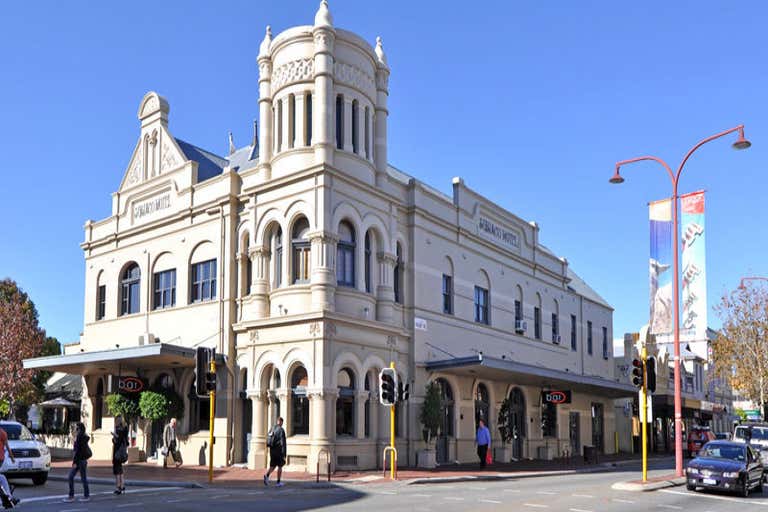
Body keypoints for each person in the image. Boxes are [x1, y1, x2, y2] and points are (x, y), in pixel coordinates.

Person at [63, 422, 90, 503]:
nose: (74, 429)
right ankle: (79, 495)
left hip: (80, 461)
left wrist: (74, 462)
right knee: (81, 478)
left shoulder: (80, 437)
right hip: (81, 460)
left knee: (72, 477)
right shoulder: (80, 437)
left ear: (79, 429)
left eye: (76, 428)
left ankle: (77, 496)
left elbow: (78, 451)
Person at [0, 426, 20, 508]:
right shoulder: (2, 433)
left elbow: (7, 447)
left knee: (2, 478)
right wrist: (12, 458)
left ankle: (7, 498)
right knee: (2, 478)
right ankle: (8, 498)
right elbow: (7, 447)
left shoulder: (2, 433)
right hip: (0, 459)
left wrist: (12, 458)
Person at [263, 417, 286, 487]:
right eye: (282, 422)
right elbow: (282, 442)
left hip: (272, 451)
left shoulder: (272, 428)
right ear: (281, 422)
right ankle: (278, 482)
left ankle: (266, 475)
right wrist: (284, 453)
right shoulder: (281, 430)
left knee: (272, 465)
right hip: (279, 451)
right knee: (280, 466)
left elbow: (268, 439)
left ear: (277, 421)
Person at [112, 416, 129, 494]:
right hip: (122, 451)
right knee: (120, 470)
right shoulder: (125, 428)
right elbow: (125, 440)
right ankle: (122, 485)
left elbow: (118, 440)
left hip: (118, 451)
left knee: (117, 470)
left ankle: (118, 487)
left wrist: (114, 436)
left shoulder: (118, 429)